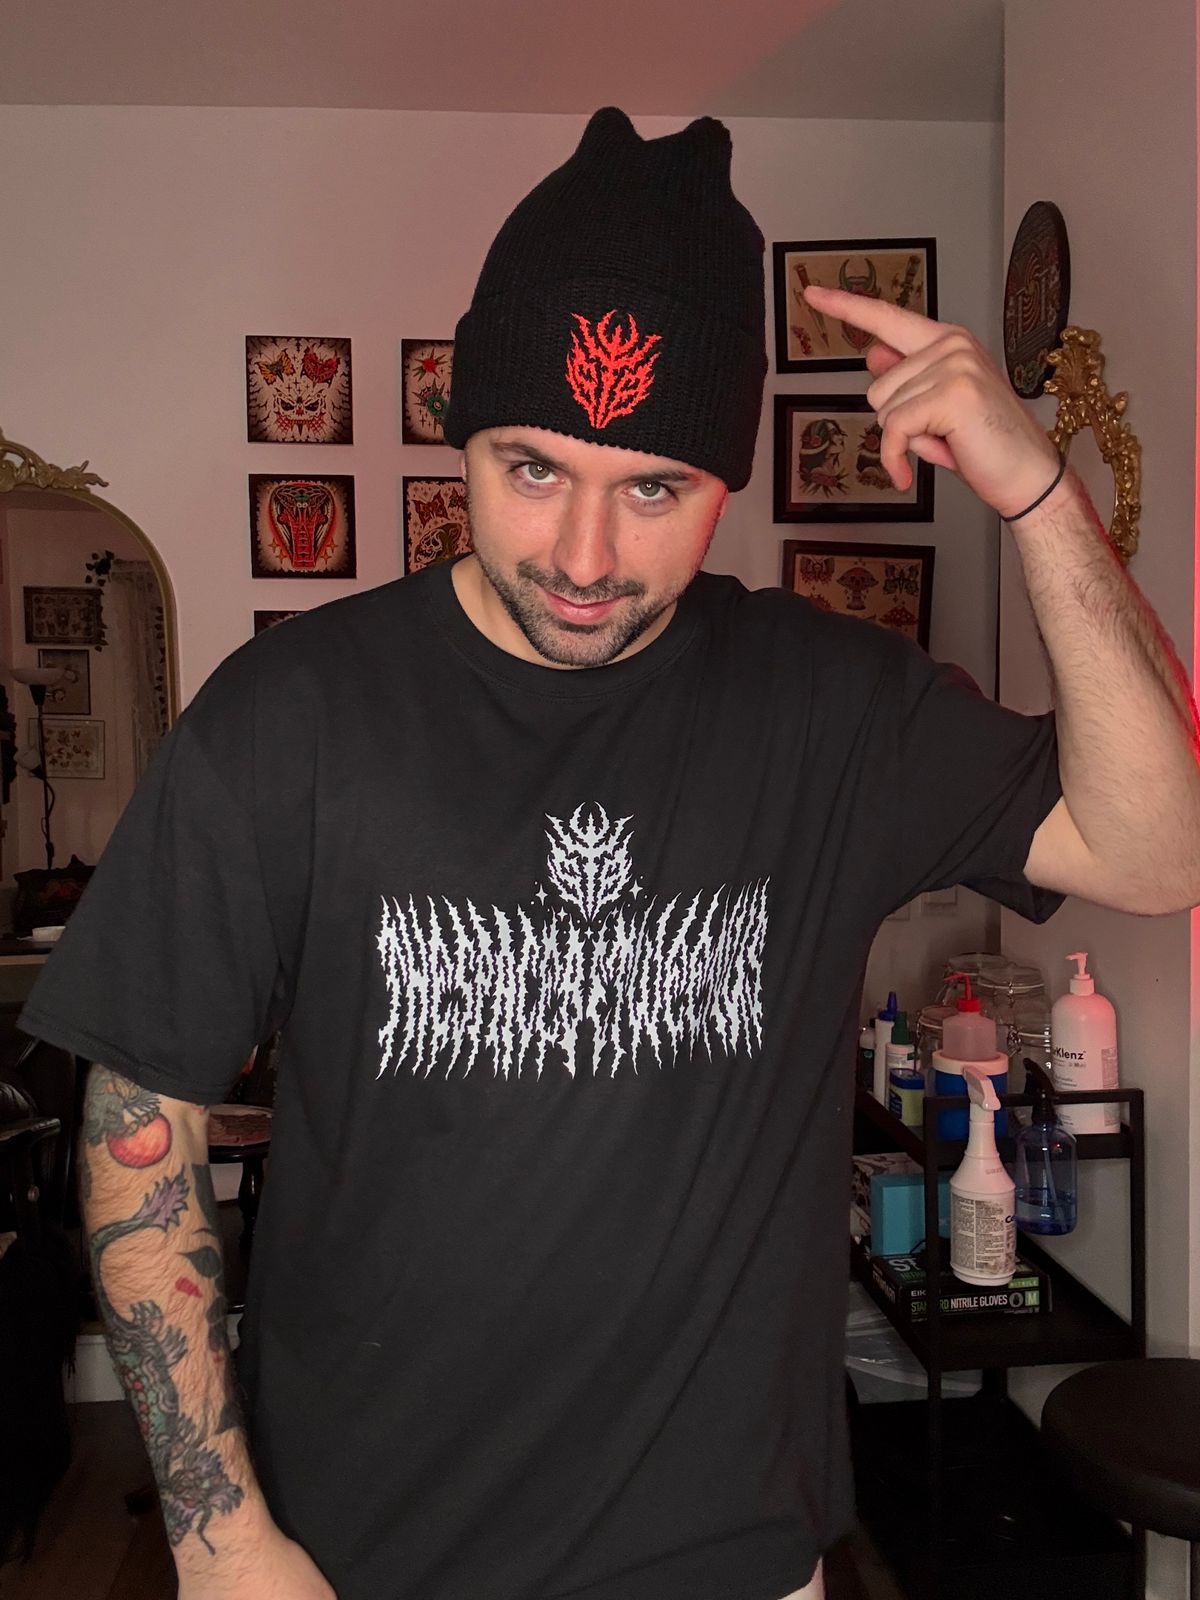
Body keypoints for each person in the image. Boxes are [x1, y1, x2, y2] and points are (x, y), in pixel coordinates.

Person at [19, 106, 1200, 1600]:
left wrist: (1037, 493)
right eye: (532, 469)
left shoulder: (832, 709)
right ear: (461, 427)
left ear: (727, 480)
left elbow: (1160, 854)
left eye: (654, 488)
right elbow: (143, 1113)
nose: (584, 558)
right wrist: (218, 1537)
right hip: (359, 1562)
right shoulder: (289, 717)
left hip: (734, 1564)